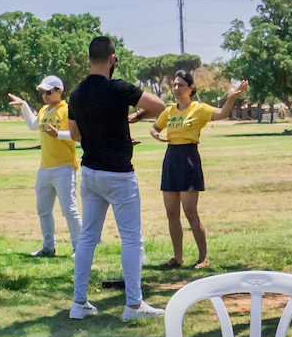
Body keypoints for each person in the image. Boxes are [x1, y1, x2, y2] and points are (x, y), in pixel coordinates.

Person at [67, 36, 169, 321]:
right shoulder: (119, 88)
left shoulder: (76, 94)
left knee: (87, 238)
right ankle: (134, 306)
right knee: (131, 239)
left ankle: (79, 303)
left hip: (90, 172)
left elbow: (76, 135)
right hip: (119, 175)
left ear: (89, 59)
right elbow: (159, 106)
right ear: (112, 59)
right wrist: (136, 115)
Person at [149, 70, 248, 269]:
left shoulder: (199, 108)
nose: (177, 88)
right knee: (171, 212)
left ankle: (203, 258)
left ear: (191, 88)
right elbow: (154, 128)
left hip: (188, 159)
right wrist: (156, 136)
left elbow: (222, 114)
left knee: (190, 211)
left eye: (181, 85)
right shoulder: (169, 110)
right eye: (175, 85)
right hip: (171, 159)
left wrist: (231, 98)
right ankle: (177, 258)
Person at [8, 75, 80, 258]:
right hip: (45, 167)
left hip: (64, 167)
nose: (45, 96)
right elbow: (34, 126)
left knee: (69, 210)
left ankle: (80, 248)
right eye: (42, 92)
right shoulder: (44, 110)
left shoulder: (67, 110)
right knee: (43, 209)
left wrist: (59, 135)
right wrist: (24, 105)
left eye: (49, 92)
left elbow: (77, 134)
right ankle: (49, 247)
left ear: (59, 91)